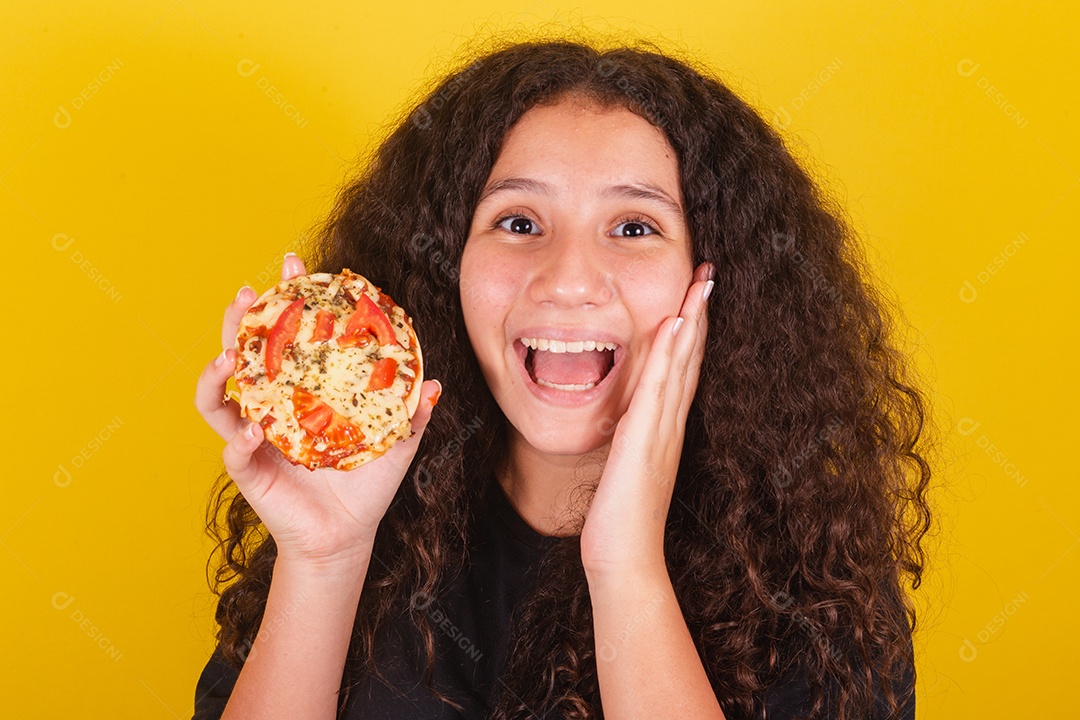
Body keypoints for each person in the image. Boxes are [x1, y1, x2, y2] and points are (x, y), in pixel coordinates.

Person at [192, 36, 932, 720]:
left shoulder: (815, 591)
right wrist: (324, 559)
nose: (569, 279)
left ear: (717, 280)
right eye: (518, 222)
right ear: (446, 265)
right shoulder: (355, 532)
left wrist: (624, 564)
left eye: (634, 228)